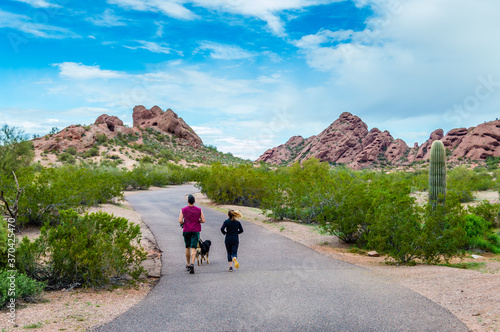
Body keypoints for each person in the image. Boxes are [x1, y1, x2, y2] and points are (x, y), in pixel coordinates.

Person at [179, 194, 205, 274]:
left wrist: (184, 223)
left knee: (187, 247)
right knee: (194, 248)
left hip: (186, 230)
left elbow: (180, 220)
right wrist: (198, 221)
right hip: (195, 230)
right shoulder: (199, 210)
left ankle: (188, 264)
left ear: (188, 201)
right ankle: (193, 264)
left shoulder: (183, 210)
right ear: (194, 201)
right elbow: (203, 220)